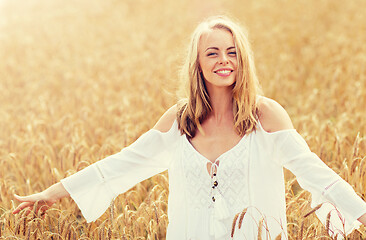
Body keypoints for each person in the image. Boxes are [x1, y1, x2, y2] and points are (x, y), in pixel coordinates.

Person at [13, 15, 366, 239]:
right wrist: (51, 193)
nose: (224, 61)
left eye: (232, 52)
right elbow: (121, 164)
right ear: (197, 62)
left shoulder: (265, 116)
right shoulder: (178, 122)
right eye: (212, 53)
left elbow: (316, 174)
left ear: (243, 60)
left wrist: (362, 213)